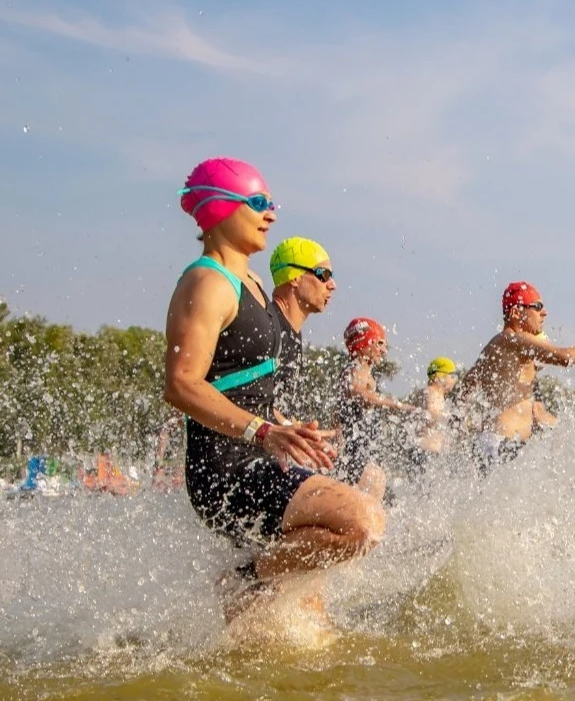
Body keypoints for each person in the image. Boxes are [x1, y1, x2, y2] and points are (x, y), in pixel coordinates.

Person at [162, 157, 383, 620]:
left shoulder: (253, 283)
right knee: (361, 521)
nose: (271, 215)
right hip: (225, 470)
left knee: (307, 619)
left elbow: (248, 386)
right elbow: (181, 384)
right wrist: (262, 431)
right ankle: (245, 579)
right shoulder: (207, 283)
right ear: (222, 206)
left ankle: (258, 608)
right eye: (259, 202)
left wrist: (290, 429)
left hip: (258, 459)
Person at [454, 282, 575, 470]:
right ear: (516, 312)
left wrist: (460, 428)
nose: (544, 313)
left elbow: (465, 388)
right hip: (503, 445)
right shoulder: (514, 339)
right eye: (537, 307)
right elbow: (568, 358)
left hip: (492, 443)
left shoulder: (495, 346)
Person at [337, 317, 411, 496]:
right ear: (364, 342)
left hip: (361, 455)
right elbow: (358, 392)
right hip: (357, 458)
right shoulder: (355, 369)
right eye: (379, 343)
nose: (384, 351)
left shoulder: (359, 370)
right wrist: (397, 405)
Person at [267, 236, 335, 417]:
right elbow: (248, 400)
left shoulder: (292, 333)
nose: (332, 285)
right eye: (324, 275)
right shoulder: (267, 326)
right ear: (295, 278)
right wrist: (289, 427)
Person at [413, 357, 460, 461]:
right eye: (452, 376)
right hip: (426, 451)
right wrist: (452, 418)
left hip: (427, 451)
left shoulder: (434, 393)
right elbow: (431, 412)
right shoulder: (431, 392)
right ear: (440, 376)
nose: (454, 381)